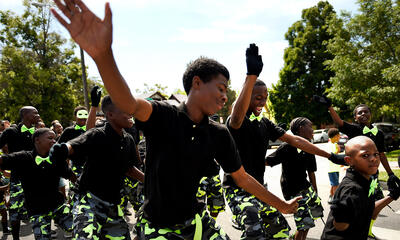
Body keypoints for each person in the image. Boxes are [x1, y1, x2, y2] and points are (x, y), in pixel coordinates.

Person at [51, 2, 301, 238]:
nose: (225, 96)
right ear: (197, 82)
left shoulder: (218, 133)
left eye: (227, 91)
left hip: (195, 223)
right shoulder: (163, 115)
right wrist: (103, 55)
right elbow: (128, 102)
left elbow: (242, 177)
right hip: (157, 229)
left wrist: (283, 205)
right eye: (221, 88)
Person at [225, 44, 338, 240]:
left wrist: (331, 155)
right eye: (257, 97)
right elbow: (236, 117)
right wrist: (250, 77)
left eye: (265, 98)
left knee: (281, 233)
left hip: (259, 188)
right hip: (238, 191)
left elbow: (294, 139)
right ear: (247, 97)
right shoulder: (238, 121)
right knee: (255, 233)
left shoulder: (265, 123)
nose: (262, 101)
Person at [50, 95, 144, 239]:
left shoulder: (128, 140)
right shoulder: (97, 135)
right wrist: (63, 149)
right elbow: (73, 146)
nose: (130, 114)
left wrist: (151, 181)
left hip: (113, 206)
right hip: (89, 202)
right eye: (125, 110)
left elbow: (129, 168)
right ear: (110, 114)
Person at [313, 95, 400, 238]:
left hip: (372, 175)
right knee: (356, 204)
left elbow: (382, 155)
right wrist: (330, 107)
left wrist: (390, 174)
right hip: (358, 173)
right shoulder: (354, 129)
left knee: (371, 204)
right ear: (355, 118)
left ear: (371, 114)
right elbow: (340, 122)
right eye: (359, 112)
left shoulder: (378, 133)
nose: (363, 114)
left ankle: (367, 229)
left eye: (366, 111)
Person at [0, 128, 76, 240]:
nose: (54, 141)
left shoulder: (57, 159)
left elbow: (72, 176)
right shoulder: (23, 157)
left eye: (55, 139)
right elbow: (2, 160)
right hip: (37, 211)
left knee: (81, 229)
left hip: (58, 206)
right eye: (50, 138)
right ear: (37, 140)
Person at [321, 136, 399, 239]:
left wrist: (392, 196)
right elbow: (340, 226)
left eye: (376, 154)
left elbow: (368, 210)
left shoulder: (365, 179)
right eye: (365, 155)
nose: (373, 158)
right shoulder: (352, 189)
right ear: (349, 160)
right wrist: (341, 213)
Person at [265, 117, 324, 240]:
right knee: (302, 225)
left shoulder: (309, 147)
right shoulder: (287, 147)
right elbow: (268, 161)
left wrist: (315, 192)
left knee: (309, 221)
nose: (313, 129)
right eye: (310, 126)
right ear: (301, 129)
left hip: (306, 187)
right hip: (293, 190)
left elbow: (311, 171)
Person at [0, 106, 40, 239]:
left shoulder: (38, 132)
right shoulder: (11, 131)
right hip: (17, 179)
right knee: (15, 213)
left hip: (36, 179)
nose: (38, 115)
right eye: (35, 113)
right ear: (25, 114)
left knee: (38, 211)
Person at [327, 128, 341, 204]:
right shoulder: (330, 145)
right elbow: (331, 155)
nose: (339, 137)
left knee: (333, 184)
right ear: (335, 136)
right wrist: (338, 151)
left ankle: (331, 196)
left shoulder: (334, 144)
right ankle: (336, 199)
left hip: (335, 168)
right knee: (335, 184)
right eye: (338, 136)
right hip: (331, 169)